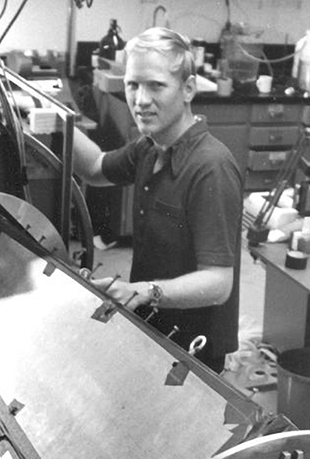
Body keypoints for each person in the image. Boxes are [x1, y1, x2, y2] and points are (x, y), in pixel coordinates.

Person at [73, 27, 243, 373]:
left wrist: (143, 291)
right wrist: (48, 118)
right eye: (133, 84)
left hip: (195, 347)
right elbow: (93, 168)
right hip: (155, 324)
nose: (140, 100)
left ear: (188, 89)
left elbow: (218, 283)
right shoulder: (149, 147)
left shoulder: (211, 167)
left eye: (156, 86)